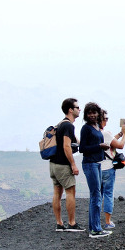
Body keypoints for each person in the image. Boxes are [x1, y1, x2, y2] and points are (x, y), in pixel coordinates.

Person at [49, 98, 84, 232]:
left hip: (53, 164)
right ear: (70, 109)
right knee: (70, 192)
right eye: (77, 107)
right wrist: (73, 165)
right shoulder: (69, 125)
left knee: (57, 193)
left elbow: (76, 141)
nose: (79, 109)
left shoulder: (60, 124)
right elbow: (66, 146)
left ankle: (59, 223)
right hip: (63, 165)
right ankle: (72, 223)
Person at [79, 102, 112, 238]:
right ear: (86, 115)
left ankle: (94, 227)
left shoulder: (97, 126)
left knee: (96, 195)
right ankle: (95, 230)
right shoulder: (86, 128)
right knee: (96, 196)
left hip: (97, 163)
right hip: (90, 164)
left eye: (94, 112)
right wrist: (99, 146)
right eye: (89, 113)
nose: (92, 115)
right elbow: (83, 149)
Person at [100, 110, 125, 229]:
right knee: (108, 194)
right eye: (105, 119)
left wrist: (119, 134)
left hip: (97, 168)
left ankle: (95, 221)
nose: (106, 121)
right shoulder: (105, 133)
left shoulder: (95, 133)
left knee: (98, 195)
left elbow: (110, 142)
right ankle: (108, 221)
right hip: (108, 168)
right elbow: (120, 145)